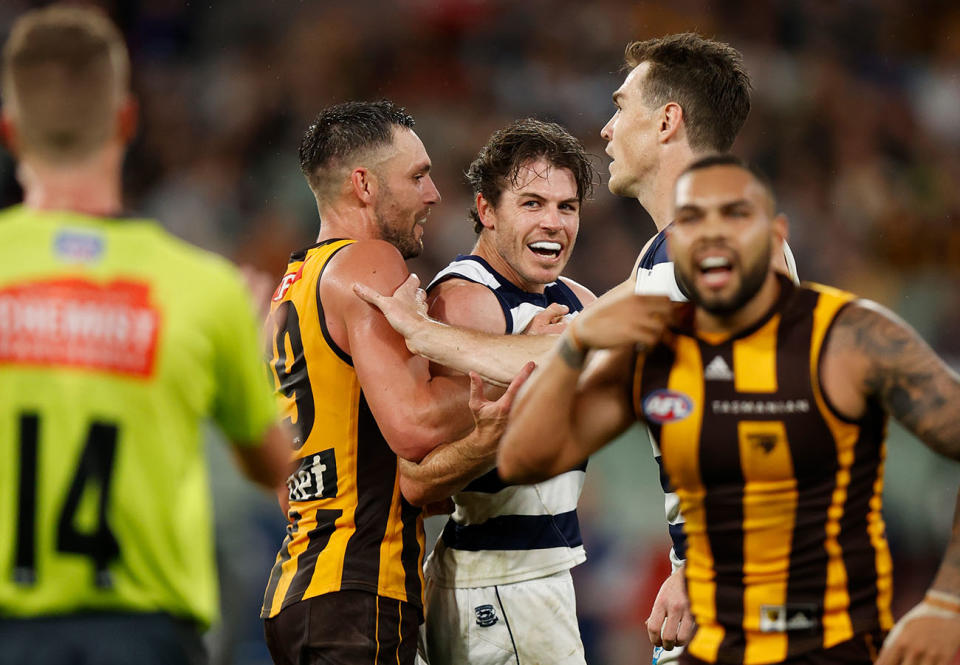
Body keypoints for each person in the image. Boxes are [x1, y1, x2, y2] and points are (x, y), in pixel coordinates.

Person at [497, 154, 960, 665]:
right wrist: (575, 348)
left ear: (775, 236)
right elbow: (523, 459)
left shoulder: (852, 337)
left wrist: (946, 600)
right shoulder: (662, 355)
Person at [0, 6, 291, 665]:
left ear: (11, 132)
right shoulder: (202, 288)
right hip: (144, 637)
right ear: (127, 121)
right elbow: (276, 467)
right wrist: (247, 352)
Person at [258, 100, 534, 665]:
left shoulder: (291, 291)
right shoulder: (369, 262)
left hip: (301, 590)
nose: (433, 193)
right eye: (418, 175)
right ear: (363, 184)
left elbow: (291, 484)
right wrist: (525, 365)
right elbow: (416, 425)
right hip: (359, 592)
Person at [409, 119, 596, 665]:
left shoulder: (575, 299)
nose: (553, 222)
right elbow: (419, 471)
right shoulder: (466, 300)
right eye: (532, 203)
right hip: (497, 580)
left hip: (537, 572)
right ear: (487, 211)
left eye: (567, 206)